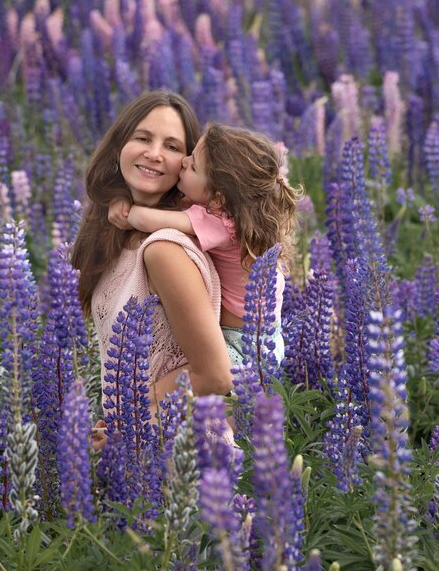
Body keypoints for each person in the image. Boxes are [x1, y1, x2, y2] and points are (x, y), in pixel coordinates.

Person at [70, 92, 234, 431]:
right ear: (119, 147)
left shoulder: (164, 249)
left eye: (172, 147)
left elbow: (216, 375)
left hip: (185, 455)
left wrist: (125, 420)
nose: (154, 154)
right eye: (143, 138)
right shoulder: (116, 235)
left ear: (188, 166)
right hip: (141, 443)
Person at [109, 122, 299, 367]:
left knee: (203, 378)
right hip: (271, 338)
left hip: (241, 347)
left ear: (218, 198)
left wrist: (123, 208)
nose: (185, 162)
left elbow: (146, 219)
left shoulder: (218, 223)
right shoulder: (242, 219)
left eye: (194, 166)